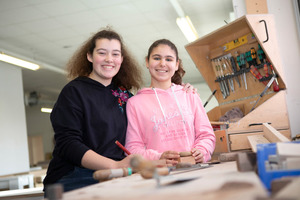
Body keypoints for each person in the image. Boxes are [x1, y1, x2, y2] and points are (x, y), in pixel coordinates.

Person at [43, 28, 196, 194]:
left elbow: (146, 130)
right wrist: (114, 165)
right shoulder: (74, 92)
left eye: (115, 54)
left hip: (116, 176)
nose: (109, 59)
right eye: (102, 53)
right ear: (89, 56)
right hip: (74, 177)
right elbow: (68, 144)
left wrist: (182, 91)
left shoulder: (124, 96)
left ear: (122, 59)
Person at [125, 39, 216, 166]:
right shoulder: (134, 103)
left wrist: (202, 151)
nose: (162, 63)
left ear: (177, 64)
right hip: (158, 174)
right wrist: (158, 157)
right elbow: (132, 148)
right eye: (157, 58)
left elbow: (206, 135)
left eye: (169, 59)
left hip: (194, 169)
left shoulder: (189, 95)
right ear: (147, 62)